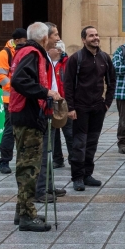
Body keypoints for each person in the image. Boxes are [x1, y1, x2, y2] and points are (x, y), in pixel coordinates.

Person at [9, 22, 61, 232]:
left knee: (26, 165)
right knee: (29, 167)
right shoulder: (33, 53)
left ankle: (22, 209)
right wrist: (45, 92)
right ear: (44, 38)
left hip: (23, 115)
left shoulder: (26, 51)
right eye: (51, 36)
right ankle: (27, 216)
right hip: (28, 116)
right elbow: (19, 80)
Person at [64, 26, 116, 192]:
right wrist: (70, 107)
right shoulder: (76, 59)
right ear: (83, 39)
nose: (95, 38)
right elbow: (68, 85)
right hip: (80, 108)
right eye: (91, 35)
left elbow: (112, 81)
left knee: (92, 143)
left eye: (96, 35)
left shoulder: (104, 58)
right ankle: (77, 177)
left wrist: (107, 103)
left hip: (98, 108)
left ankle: (87, 174)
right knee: (79, 144)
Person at [34, 23, 66, 203]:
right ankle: (40, 190)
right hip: (43, 109)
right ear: (46, 37)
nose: (58, 39)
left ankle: (48, 186)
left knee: (50, 150)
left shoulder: (49, 56)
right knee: (44, 152)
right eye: (56, 35)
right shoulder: (39, 56)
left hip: (52, 106)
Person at [0, 27, 27, 174]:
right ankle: (4, 160)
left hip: (24, 97)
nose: (26, 43)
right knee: (10, 130)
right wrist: (16, 86)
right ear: (17, 41)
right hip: (10, 99)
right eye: (24, 40)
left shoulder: (23, 52)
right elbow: (0, 77)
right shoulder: (4, 54)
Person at [52, 40, 74, 169]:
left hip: (65, 101)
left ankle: (73, 158)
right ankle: (57, 159)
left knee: (69, 132)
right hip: (52, 101)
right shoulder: (46, 62)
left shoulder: (68, 62)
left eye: (53, 48)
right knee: (54, 133)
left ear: (59, 50)